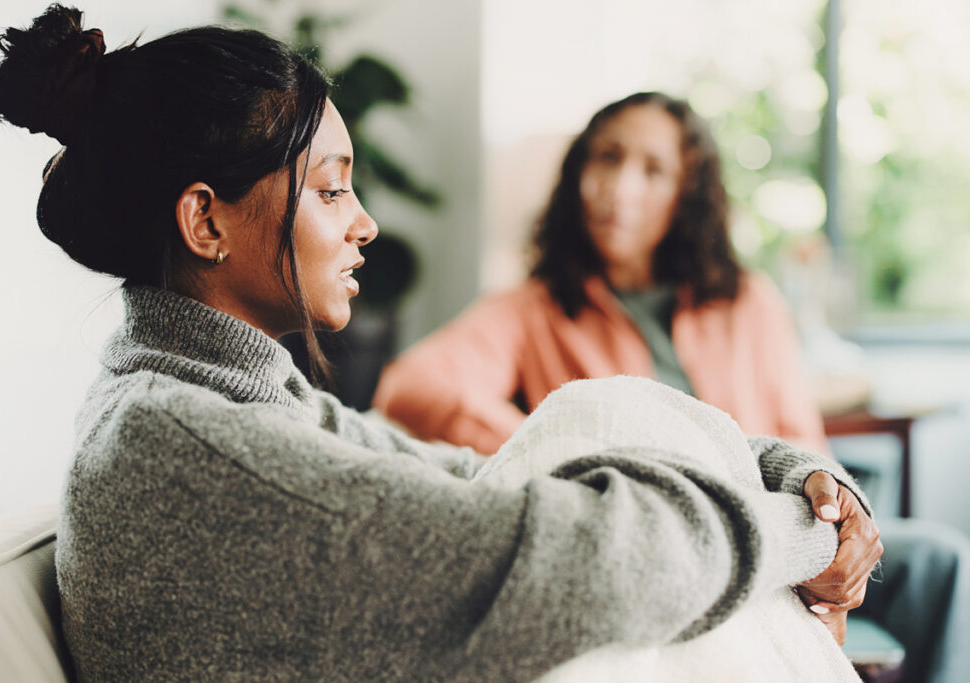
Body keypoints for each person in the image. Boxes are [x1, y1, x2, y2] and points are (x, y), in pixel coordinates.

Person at [0, 9, 880, 681]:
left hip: (734, 520)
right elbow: (591, 565)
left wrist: (797, 477)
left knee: (608, 419)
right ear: (205, 221)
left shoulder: (222, 399)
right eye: (331, 191)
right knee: (600, 418)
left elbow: (464, 474)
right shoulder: (182, 441)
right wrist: (806, 535)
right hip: (684, 550)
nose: (365, 223)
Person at [373, 91, 968, 682]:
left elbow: (802, 443)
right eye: (607, 157)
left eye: (653, 170)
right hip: (661, 542)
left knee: (938, 561)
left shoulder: (750, 302)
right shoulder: (533, 308)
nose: (619, 187)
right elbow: (414, 386)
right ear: (578, 173)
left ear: (687, 194)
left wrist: (834, 532)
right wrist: (561, 445)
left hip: (775, 533)